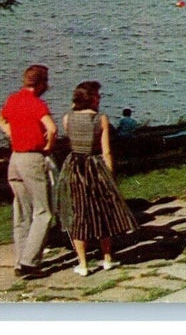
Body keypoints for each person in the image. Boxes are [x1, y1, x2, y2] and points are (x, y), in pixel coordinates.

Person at [58, 81, 138, 276]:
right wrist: (110, 175)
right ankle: (107, 258)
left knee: (79, 213)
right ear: (91, 99)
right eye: (97, 95)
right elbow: (106, 151)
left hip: (75, 166)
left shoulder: (66, 118)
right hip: (95, 165)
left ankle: (83, 264)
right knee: (101, 212)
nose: (100, 98)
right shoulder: (101, 119)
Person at [0, 64, 57, 278]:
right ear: (40, 83)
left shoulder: (13, 99)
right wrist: (48, 146)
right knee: (43, 212)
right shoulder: (37, 103)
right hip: (32, 158)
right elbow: (52, 128)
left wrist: (12, 134)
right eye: (46, 82)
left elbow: (1, 120)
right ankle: (30, 262)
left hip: (15, 159)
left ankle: (20, 260)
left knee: (21, 212)